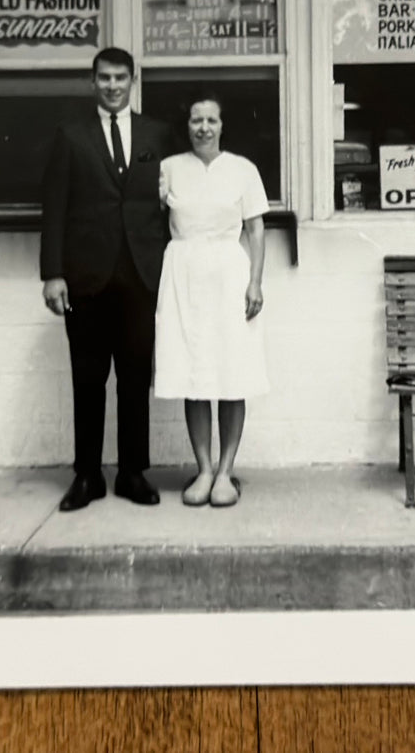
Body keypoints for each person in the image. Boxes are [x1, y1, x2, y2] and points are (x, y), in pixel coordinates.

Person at [40, 48, 176, 511]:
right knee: (88, 377)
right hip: (85, 277)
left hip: (140, 276)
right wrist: (53, 274)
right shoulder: (69, 135)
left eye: (120, 77)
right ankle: (87, 474)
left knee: (136, 377)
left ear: (133, 80)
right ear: (91, 81)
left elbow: (172, 204)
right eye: (104, 77)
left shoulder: (157, 133)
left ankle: (133, 472)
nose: (112, 85)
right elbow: (54, 207)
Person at [154, 95, 270, 508]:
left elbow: (256, 230)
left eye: (212, 120)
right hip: (182, 273)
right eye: (196, 120)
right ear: (186, 125)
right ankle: (203, 469)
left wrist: (255, 282)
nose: (204, 127)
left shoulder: (243, 169)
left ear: (223, 125)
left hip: (229, 273)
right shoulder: (168, 168)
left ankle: (225, 471)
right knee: (194, 374)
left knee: (230, 373)